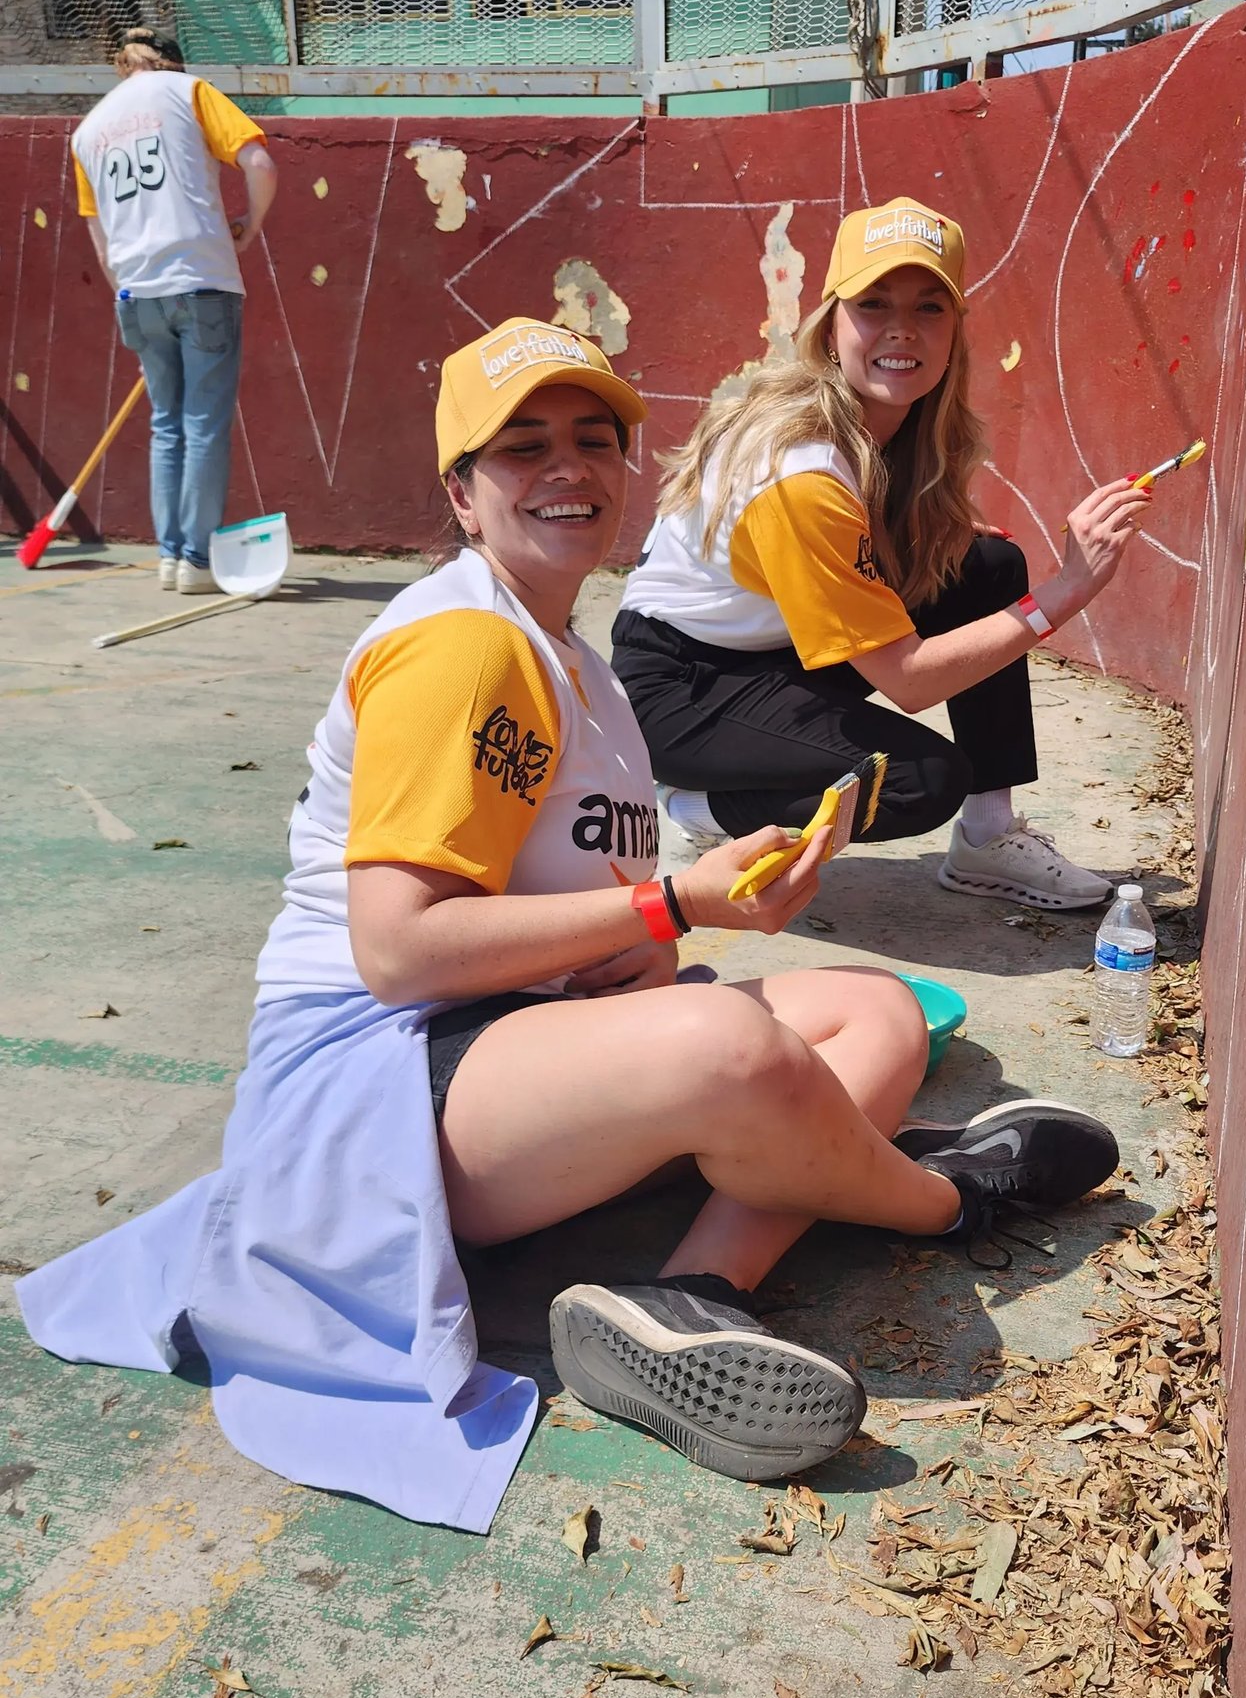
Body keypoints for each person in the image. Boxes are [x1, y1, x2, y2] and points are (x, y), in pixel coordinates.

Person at [16, 319, 1119, 1531]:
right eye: (521, 448)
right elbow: (396, 952)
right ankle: (942, 1195)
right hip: (376, 1090)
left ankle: (688, 1295)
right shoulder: (464, 646)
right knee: (733, 1049)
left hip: (509, 1048)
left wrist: (673, 932)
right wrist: (673, 907)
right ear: (461, 494)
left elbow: (609, 945)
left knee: (870, 1007)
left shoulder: (579, 667)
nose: (567, 469)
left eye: (594, 441)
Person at [612, 196, 1155, 911]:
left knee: (983, 570)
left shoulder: (891, 425)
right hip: (684, 690)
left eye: (930, 308)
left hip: (771, 652)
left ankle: (988, 840)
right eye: (873, 305)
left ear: (956, 331)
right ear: (831, 326)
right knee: (918, 778)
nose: (901, 331)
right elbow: (909, 681)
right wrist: (1067, 591)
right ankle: (699, 812)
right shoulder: (801, 469)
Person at [71, 26, 277, 594]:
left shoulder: (88, 131)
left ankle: (170, 557)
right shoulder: (187, 91)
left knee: (167, 426)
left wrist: (128, 289)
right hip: (201, 280)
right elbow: (259, 163)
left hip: (137, 292)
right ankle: (199, 560)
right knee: (203, 425)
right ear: (171, 63)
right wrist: (249, 227)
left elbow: (99, 235)